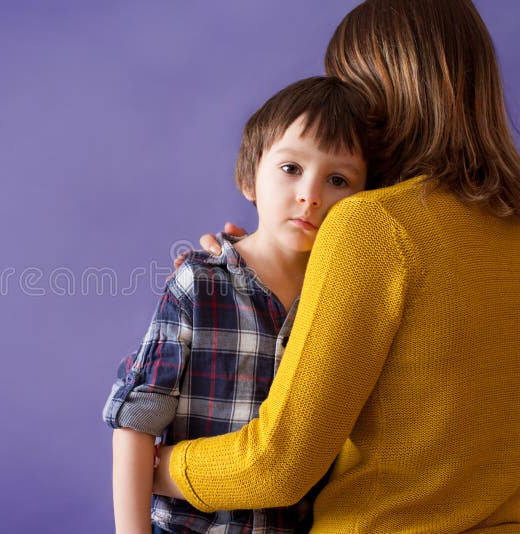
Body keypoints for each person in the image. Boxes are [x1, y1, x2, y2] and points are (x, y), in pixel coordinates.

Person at [152, 1, 520, 532]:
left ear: (381, 93)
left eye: (346, 86)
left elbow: (279, 466)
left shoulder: (372, 229)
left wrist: (153, 463)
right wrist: (263, 268)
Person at [103, 76, 369, 533]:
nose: (311, 195)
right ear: (249, 177)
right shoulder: (200, 283)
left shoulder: (344, 299)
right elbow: (137, 416)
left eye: (338, 179)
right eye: (291, 169)